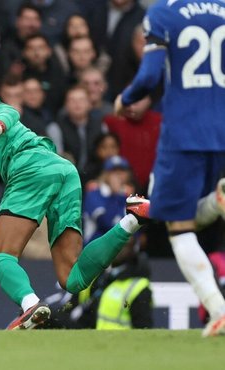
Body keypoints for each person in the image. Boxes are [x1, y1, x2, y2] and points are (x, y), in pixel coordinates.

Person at [0, 73, 150, 330]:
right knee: (73, 279)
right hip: (63, 172)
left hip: (30, 167)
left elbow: (7, 111)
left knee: (0, 258)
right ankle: (132, 220)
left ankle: (30, 305)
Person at [114, 0, 225, 337]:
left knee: (177, 227)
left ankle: (218, 310)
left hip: (183, 135)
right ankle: (217, 201)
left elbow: (149, 76)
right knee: (187, 212)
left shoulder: (163, 12)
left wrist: (125, 99)